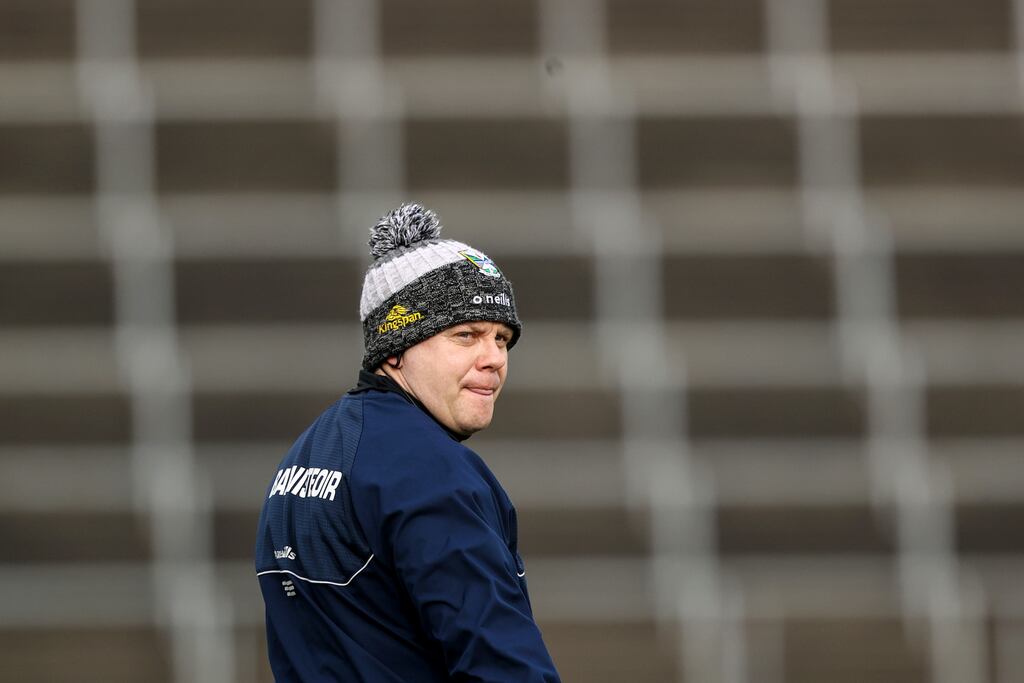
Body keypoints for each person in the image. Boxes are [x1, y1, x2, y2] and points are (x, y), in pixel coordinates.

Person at [255, 203, 561, 682]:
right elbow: (503, 664)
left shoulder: (307, 454)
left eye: (502, 339)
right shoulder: (428, 471)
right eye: (466, 335)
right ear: (394, 348)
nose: (494, 359)